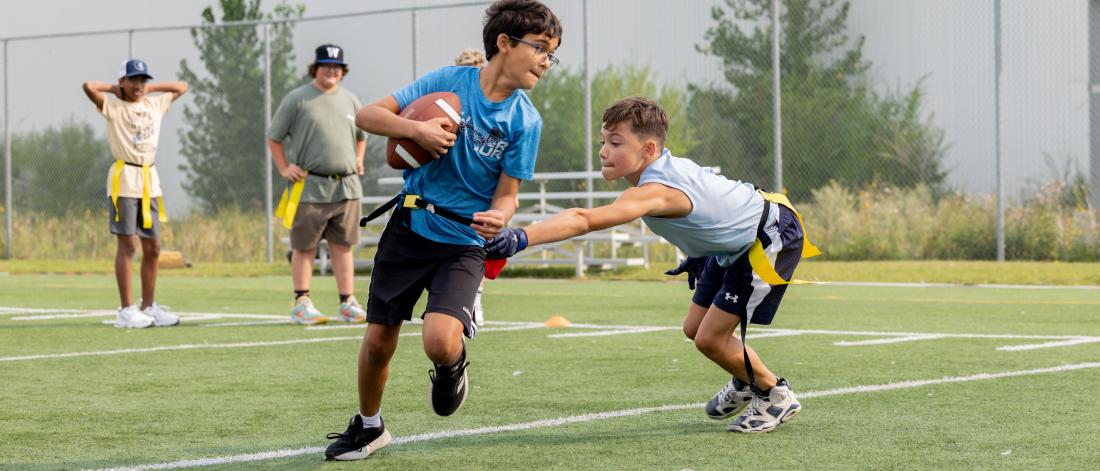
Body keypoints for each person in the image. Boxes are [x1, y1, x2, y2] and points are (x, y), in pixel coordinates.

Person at [485, 97, 820, 434]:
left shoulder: (655, 190)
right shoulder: (658, 171)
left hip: (767, 237)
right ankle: (747, 380)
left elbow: (584, 219)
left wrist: (520, 238)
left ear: (648, 149)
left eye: (616, 143)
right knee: (694, 328)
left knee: (710, 340)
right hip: (734, 243)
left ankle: (773, 392)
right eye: (603, 141)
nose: (603, 151)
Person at [323, 0, 562, 461]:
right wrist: (419, 131)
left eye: (552, 54)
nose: (546, 62)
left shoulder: (525, 120)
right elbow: (367, 116)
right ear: (505, 43)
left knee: (438, 340)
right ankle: (369, 426)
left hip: (464, 242)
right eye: (540, 49)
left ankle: (452, 367)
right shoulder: (446, 83)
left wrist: (502, 214)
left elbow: (508, 194)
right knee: (378, 339)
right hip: (410, 226)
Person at [82, 59, 188, 329]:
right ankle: (126, 309)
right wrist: (113, 89)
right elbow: (88, 86)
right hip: (125, 180)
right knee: (128, 245)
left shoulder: (154, 103)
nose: (139, 85)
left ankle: (148, 306)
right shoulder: (114, 106)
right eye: (134, 80)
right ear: (123, 82)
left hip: (149, 180)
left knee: (153, 247)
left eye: (143, 80)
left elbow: (181, 86)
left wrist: (150, 89)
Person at [268, 44, 368, 326]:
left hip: (346, 188)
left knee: (343, 245)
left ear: (343, 71)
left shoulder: (350, 99)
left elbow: (362, 135)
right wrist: (284, 167)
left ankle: (347, 302)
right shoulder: (297, 99)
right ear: (315, 68)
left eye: (337, 66)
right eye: (326, 65)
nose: (331, 70)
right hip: (309, 187)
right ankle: (302, 302)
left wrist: (359, 160)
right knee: (305, 247)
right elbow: (274, 137)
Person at [453, 46, 489, 324]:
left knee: (476, 242)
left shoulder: (496, 107)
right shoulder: (449, 100)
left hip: (480, 189)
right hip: (452, 186)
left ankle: (474, 298)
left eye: (474, 64)